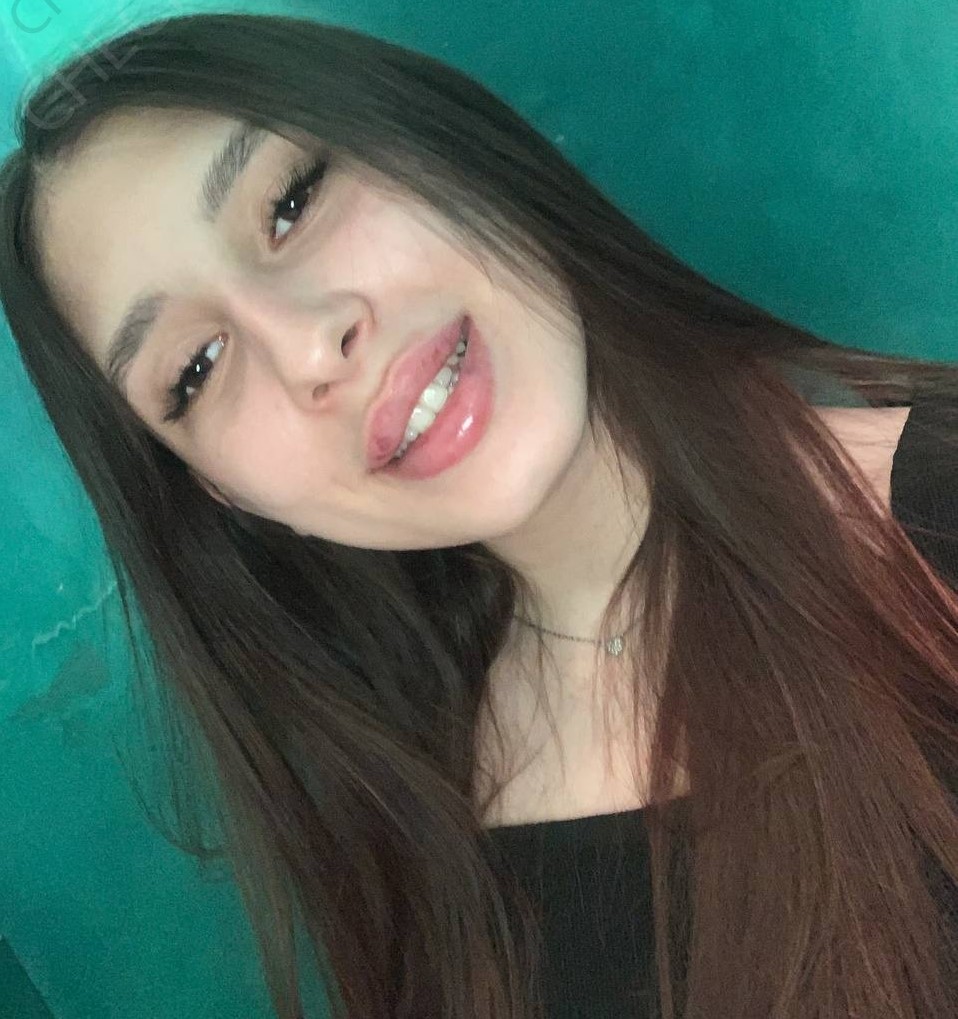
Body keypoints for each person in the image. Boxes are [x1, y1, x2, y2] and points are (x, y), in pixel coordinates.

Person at [1, 12, 957, 1019]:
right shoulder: (433, 876)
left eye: (290, 202)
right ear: (222, 489)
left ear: (436, 143)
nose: (310, 346)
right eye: (196, 368)